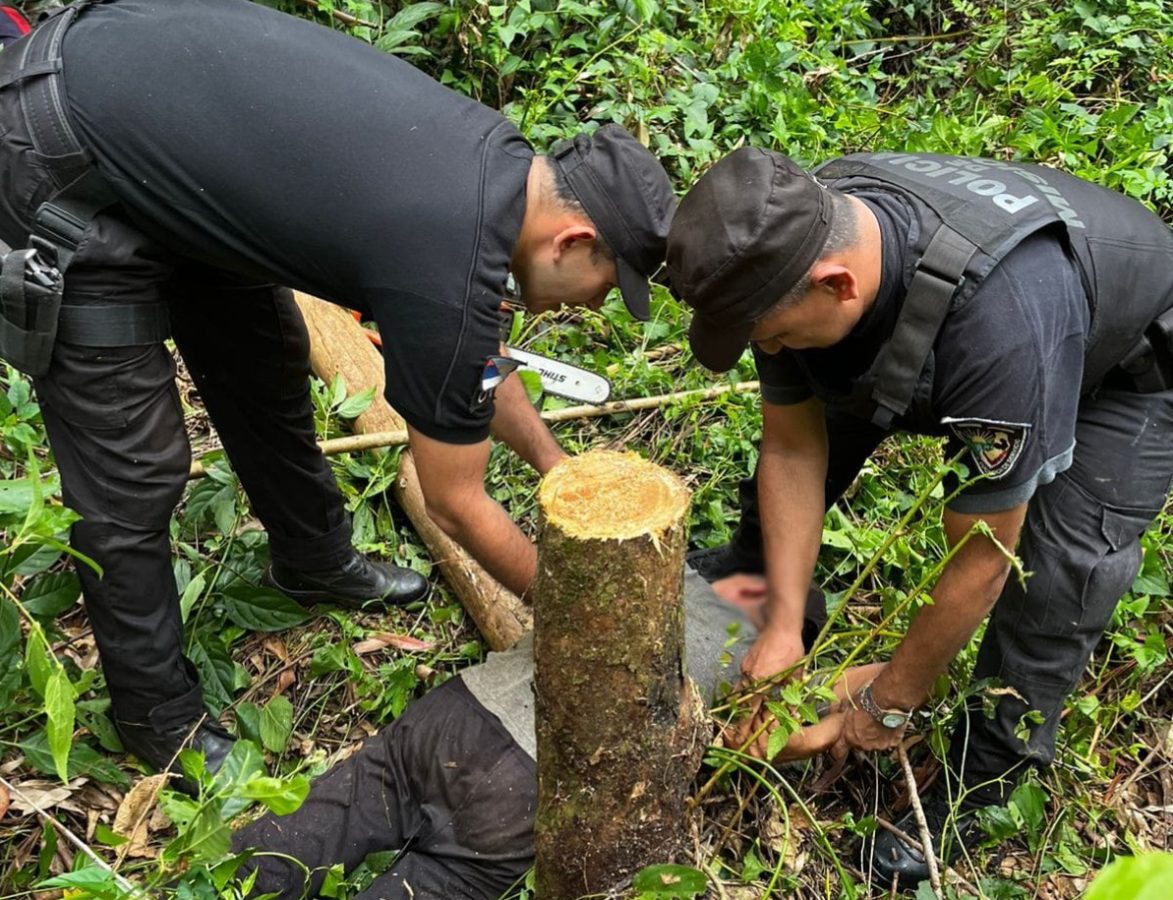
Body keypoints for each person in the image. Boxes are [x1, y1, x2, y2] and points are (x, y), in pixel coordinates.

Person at [0, 0, 674, 791]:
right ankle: (157, 718)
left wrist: (560, 472)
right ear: (573, 240)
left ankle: (313, 561)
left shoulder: (499, 170)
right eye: (604, 287)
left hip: (163, 140)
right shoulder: (445, 259)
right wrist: (576, 619)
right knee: (134, 472)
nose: (589, 307)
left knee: (264, 359)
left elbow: (480, 363)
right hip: (59, 156)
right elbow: (456, 501)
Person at [666, 147, 1173, 886]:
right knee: (827, 392)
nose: (763, 349)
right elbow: (792, 448)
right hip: (975, 320)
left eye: (767, 334)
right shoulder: (789, 235)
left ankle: (992, 771)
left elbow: (982, 556)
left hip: (1128, 365)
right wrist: (777, 624)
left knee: (1063, 571)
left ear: (835, 285)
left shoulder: (1002, 325)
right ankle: (761, 586)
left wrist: (887, 700)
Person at [230, 571, 868, 900]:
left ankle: (212, 878)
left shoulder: (645, 575)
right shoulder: (759, 665)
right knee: (432, 886)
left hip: (459, 718)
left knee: (326, 818)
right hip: (532, 787)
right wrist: (831, 727)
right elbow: (751, 744)